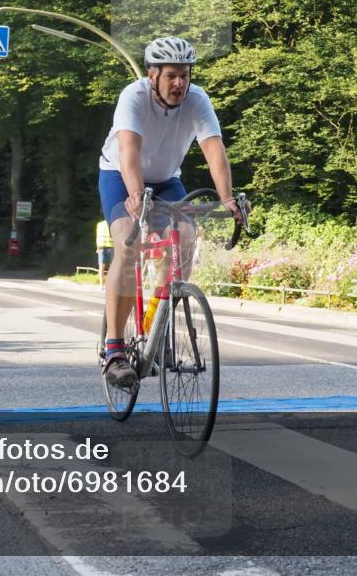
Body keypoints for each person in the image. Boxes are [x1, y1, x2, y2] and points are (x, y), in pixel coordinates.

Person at [97, 36, 246, 387]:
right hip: (120, 177)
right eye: (171, 76)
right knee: (127, 245)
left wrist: (227, 199)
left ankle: (159, 322)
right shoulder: (132, 97)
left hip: (166, 181)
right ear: (153, 75)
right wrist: (135, 195)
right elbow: (129, 152)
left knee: (188, 234)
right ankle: (115, 348)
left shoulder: (197, 100)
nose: (180, 83)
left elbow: (214, 150)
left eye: (185, 75)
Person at [95, 220, 113, 287]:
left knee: (101, 267)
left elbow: (97, 237)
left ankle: (101, 285)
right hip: (111, 247)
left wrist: (97, 248)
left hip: (101, 247)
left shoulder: (99, 224)